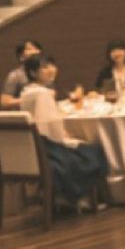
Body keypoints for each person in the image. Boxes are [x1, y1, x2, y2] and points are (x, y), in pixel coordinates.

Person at [19, 55, 108, 209]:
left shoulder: (26, 92)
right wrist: (69, 139)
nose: (51, 70)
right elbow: (52, 131)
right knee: (95, 150)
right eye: (45, 67)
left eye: (52, 65)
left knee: (82, 147)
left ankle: (66, 196)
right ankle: (80, 198)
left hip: (33, 150)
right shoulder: (43, 93)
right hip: (47, 151)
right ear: (33, 73)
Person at [1, 39, 42, 109]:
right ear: (21, 56)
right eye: (29, 49)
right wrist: (30, 99)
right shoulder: (15, 75)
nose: (35, 52)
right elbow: (5, 102)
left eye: (36, 49)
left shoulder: (43, 73)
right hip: (23, 114)